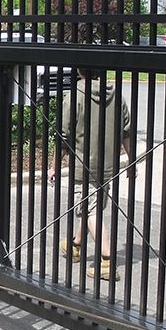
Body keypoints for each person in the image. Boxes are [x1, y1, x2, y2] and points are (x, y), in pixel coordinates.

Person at [48, 68, 134, 281]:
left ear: (79, 70)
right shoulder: (117, 95)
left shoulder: (75, 95)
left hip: (83, 166)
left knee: (89, 210)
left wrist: (53, 166)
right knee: (90, 206)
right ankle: (75, 245)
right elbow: (126, 132)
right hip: (107, 165)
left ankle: (107, 261)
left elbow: (64, 135)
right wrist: (131, 161)